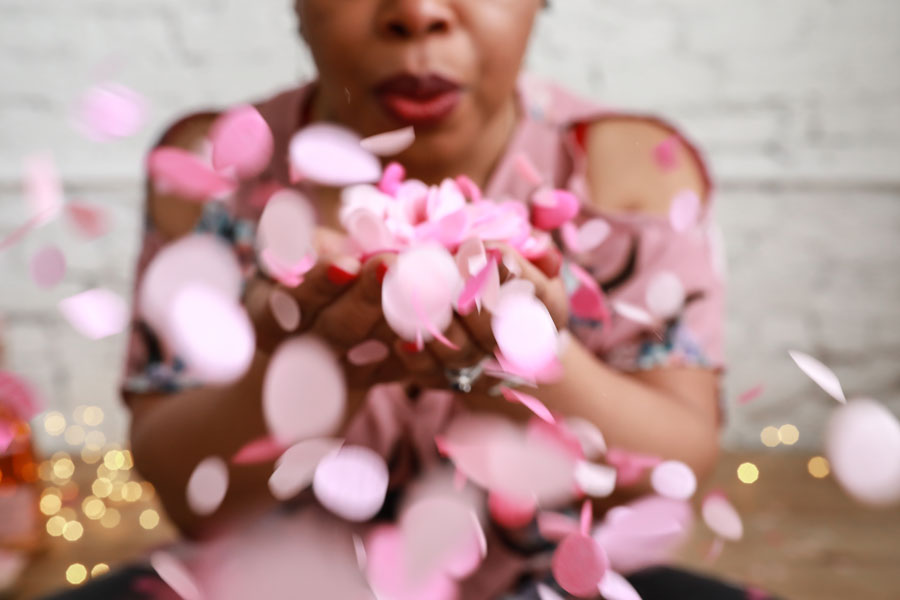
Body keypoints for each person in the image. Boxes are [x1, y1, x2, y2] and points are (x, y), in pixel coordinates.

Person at [44, 1, 771, 598]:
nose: (418, 14)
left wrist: (525, 364)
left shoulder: (628, 173)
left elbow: (670, 468)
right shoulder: (219, 168)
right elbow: (188, 498)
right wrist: (306, 369)